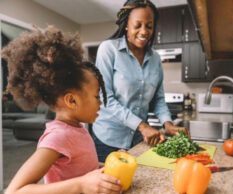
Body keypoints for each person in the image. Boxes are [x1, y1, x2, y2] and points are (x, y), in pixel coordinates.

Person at [2, 26, 123, 194]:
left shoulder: (77, 129)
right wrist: (81, 184)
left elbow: (81, 169)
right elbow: (15, 191)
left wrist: (106, 168)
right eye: (96, 97)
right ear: (72, 100)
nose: (100, 103)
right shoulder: (59, 137)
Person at [92, 0, 189, 162]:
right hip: (107, 139)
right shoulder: (108, 50)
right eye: (138, 25)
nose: (144, 31)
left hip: (138, 140)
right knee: (109, 185)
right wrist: (143, 126)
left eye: (149, 26)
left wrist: (168, 124)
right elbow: (105, 98)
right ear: (126, 25)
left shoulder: (155, 59)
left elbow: (158, 99)